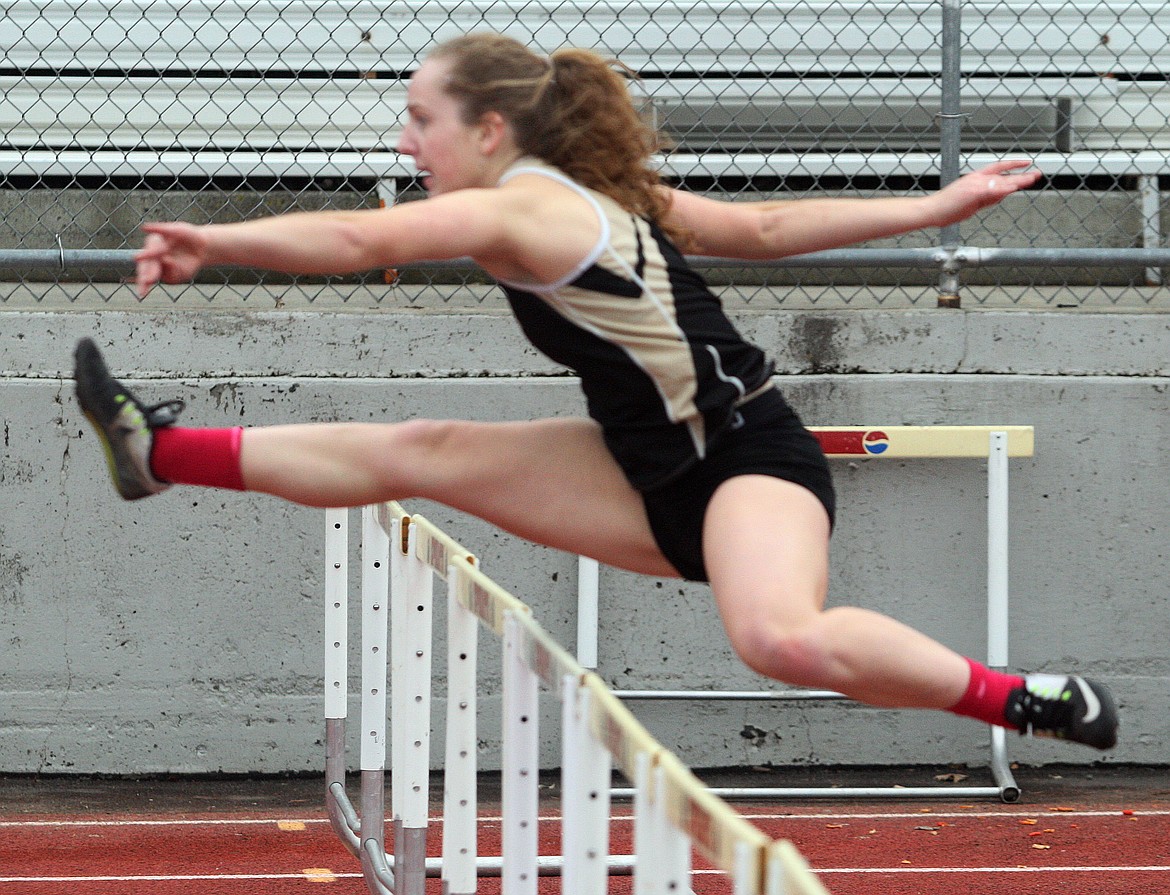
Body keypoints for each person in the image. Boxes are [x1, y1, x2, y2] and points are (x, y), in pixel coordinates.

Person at [74, 32, 1118, 750]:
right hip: (641, 463)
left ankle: (1026, 697)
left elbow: (360, 237)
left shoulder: (530, 211)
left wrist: (214, 237)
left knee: (777, 637)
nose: (404, 143)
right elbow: (754, 232)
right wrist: (934, 207)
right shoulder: (593, 193)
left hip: (746, 457)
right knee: (423, 449)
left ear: (490, 131)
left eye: (419, 120)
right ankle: (157, 453)